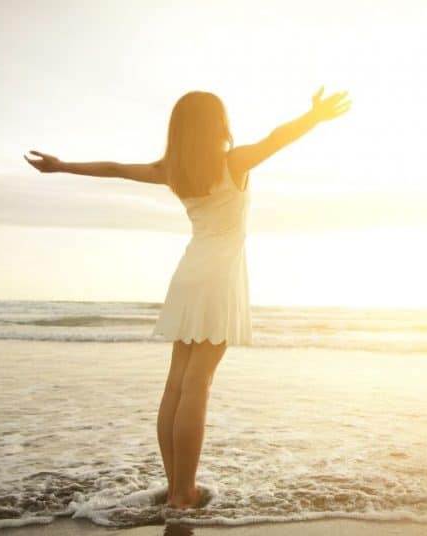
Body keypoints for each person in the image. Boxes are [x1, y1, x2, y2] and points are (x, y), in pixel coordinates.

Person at [23, 86, 350, 509]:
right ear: (219, 123)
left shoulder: (172, 170)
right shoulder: (234, 162)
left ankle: (176, 485)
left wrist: (64, 167)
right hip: (219, 279)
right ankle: (183, 493)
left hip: (189, 273)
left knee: (177, 385)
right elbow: (277, 139)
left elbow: (116, 168)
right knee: (198, 386)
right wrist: (314, 117)